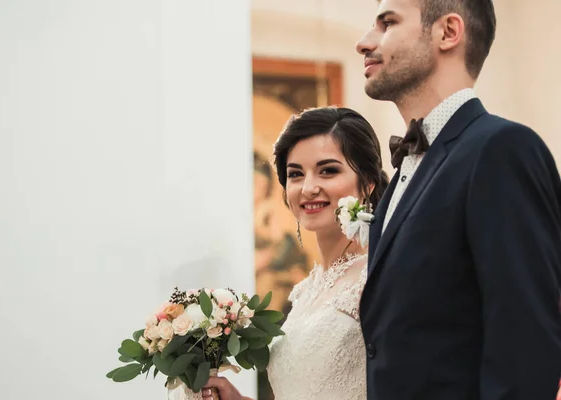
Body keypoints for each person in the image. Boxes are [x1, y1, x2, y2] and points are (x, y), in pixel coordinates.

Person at [355, 0, 561, 399]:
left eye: (387, 23)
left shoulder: (502, 149)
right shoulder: (402, 177)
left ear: (448, 32)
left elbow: (525, 342)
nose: (364, 43)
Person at [200, 106, 389, 399]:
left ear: (368, 183)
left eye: (328, 171)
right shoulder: (303, 292)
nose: (308, 188)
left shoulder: (378, 278)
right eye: (296, 174)